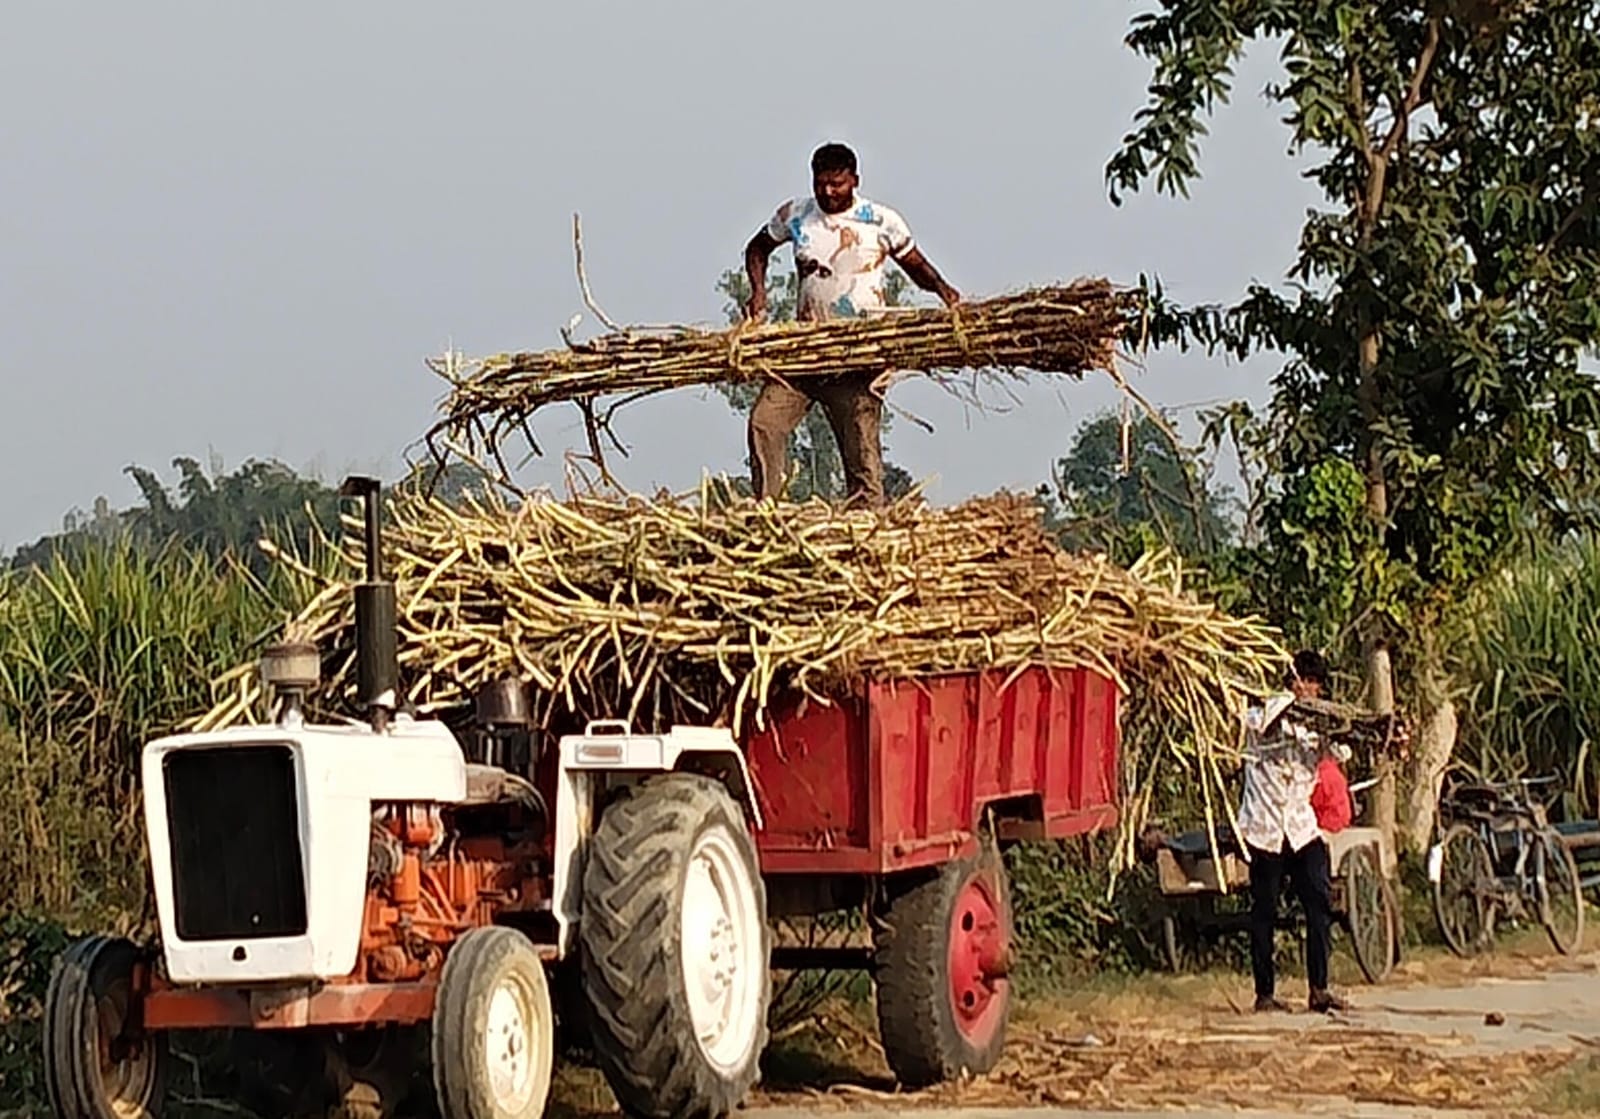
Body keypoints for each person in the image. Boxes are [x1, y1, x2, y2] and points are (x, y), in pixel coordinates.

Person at [741, 142, 961, 507]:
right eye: (821, 184)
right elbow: (757, 248)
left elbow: (917, 267)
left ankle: (866, 520)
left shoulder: (880, 221)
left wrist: (945, 292)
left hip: (858, 356)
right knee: (765, 422)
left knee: (861, 448)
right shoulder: (796, 215)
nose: (828, 192)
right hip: (804, 351)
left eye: (837, 184)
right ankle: (768, 511)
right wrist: (758, 292)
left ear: (854, 180)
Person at [1236, 649, 1350, 1014]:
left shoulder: (1317, 732)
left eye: (1316, 684)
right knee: (1264, 912)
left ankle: (1319, 988)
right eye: (1306, 681)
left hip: (1301, 829)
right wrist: (1289, 702)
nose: (1310, 690)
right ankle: (1264, 994)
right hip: (1264, 829)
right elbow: (1260, 718)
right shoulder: (1260, 717)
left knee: (1319, 901)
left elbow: (1343, 747)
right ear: (1292, 681)